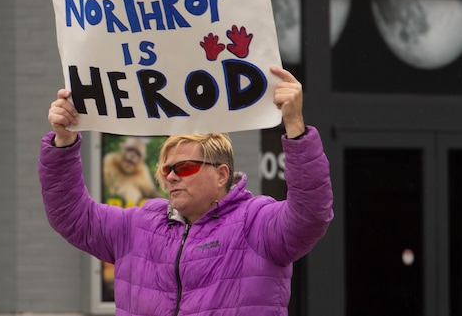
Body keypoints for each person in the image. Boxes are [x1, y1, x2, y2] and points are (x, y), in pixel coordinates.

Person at [39, 66, 333, 316]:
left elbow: (310, 214)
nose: (172, 178)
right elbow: (71, 216)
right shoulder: (138, 226)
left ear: (221, 174)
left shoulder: (257, 222)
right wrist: (63, 141)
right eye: (167, 170)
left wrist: (294, 125)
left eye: (185, 167)